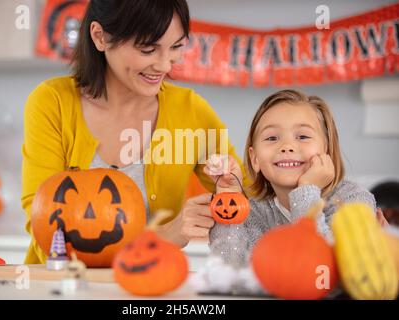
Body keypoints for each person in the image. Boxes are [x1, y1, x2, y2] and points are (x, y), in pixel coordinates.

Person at [21, 0, 248, 264]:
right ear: (100, 36)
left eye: (175, 47)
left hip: (149, 294)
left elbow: (251, 203)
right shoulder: (53, 103)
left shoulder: (191, 111)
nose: (164, 65)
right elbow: (46, 231)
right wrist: (162, 235)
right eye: (148, 49)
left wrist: (233, 186)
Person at [205, 89, 377, 267]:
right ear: (255, 159)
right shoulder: (253, 211)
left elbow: (323, 270)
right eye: (272, 138)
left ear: (326, 149)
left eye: (303, 136)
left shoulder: (353, 201)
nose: (287, 146)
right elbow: (229, 268)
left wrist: (306, 191)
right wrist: (229, 195)